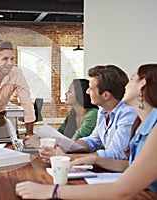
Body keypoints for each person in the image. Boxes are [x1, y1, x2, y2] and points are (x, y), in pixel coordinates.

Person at [16, 64, 157, 199]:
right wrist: (94, 159)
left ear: (142, 84)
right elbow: (130, 165)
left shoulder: (144, 121)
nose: (126, 85)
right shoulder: (140, 121)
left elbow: (122, 187)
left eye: (132, 79)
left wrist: (52, 190)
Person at [39, 65, 137, 160]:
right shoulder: (103, 111)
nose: (87, 92)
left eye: (90, 88)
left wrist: (66, 157)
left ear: (106, 95)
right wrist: (65, 144)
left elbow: (116, 154)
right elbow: (93, 141)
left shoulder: (128, 114)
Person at [24, 79, 98, 149]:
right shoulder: (73, 113)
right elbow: (60, 135)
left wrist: (40, 143)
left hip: (90, 156)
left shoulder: (93, 114)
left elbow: (74, 144)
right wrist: (38, 138)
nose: (65, 93)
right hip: (76, 154)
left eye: (69, 91)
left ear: (80, 94)